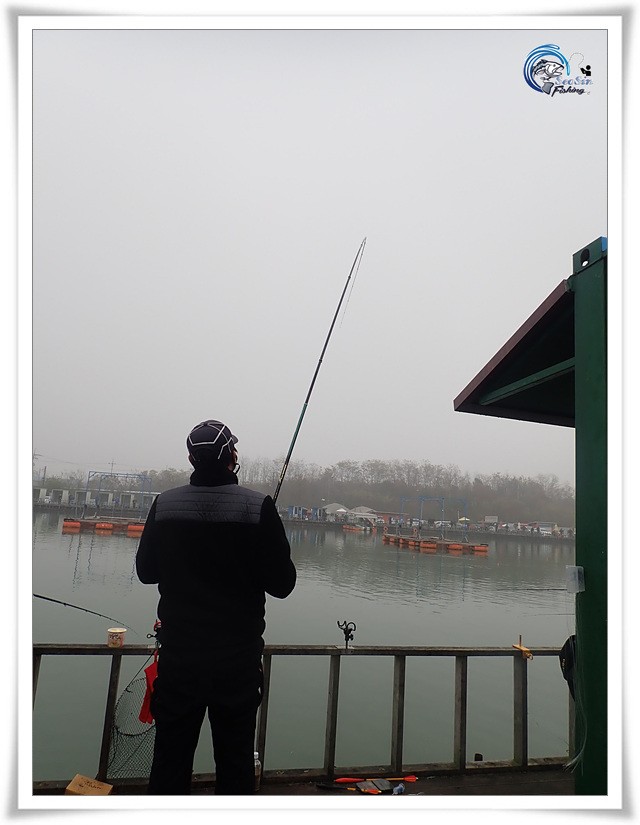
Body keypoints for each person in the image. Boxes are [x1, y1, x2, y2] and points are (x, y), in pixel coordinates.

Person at [135, 419, 296, 795]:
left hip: (179, 663)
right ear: (231, 457)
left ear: (191, 459)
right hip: (236, 666)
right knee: (235, 763)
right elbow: (283, 585)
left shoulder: (164, 504)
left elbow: (146, 572)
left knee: (170, 762)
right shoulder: (258, 507)